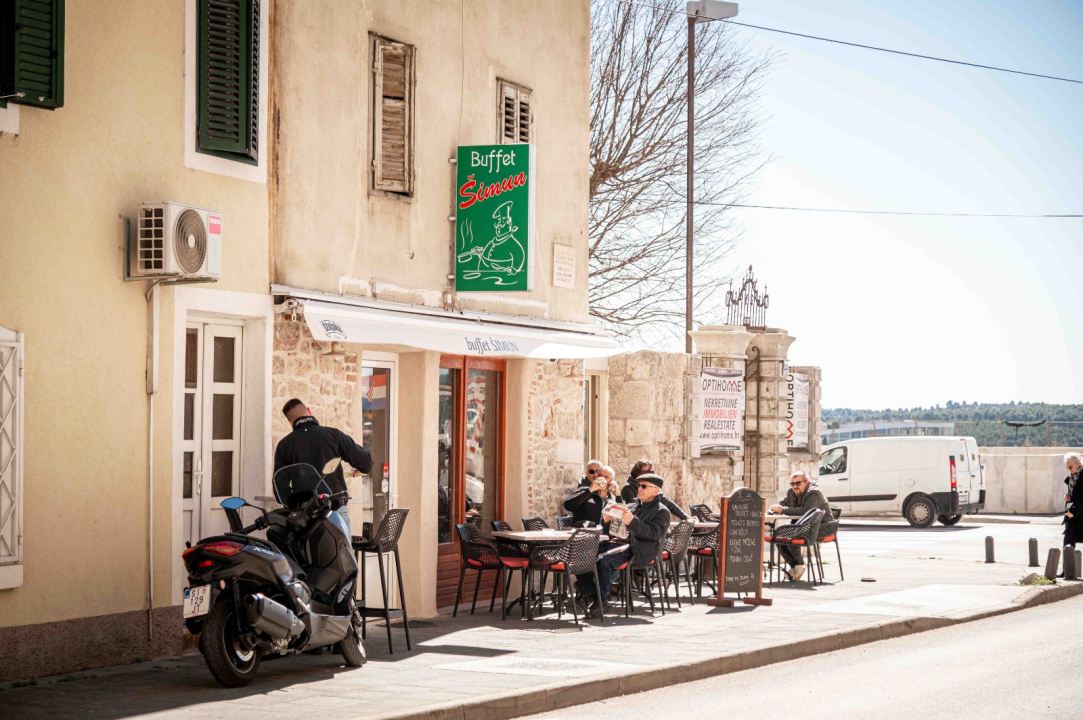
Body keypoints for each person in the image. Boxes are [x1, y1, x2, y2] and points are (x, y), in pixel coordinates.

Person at [576, 472, 672, 617]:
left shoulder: (662, 511)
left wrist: (632, 522)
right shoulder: (632, 506)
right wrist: (607, 520)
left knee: (603, 562)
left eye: (644, 486)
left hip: (638, 548)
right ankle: (591, 594)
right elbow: (613, 531)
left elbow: (653, 534)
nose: (639, 489)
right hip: (618, 544)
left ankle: (600, 602)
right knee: (580, 556)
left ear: (656, 490)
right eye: (639, 485)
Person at [274, 399, 373, 533]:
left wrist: (295, 507)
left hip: (305, 515)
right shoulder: (333, 435)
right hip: (335, 511)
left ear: (290, 421)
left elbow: (279, 484)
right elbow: (365, 462)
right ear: (309, 411)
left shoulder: (284, 445)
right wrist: (361, 468)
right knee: (341, 553)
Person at [769, 470, 832, 581]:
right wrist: (776, 507)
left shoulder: (814, 493)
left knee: (790, 533)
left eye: (798, 483)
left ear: (806, 482)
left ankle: (798, 565)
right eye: (792, 484)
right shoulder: (793, 492)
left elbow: (806, 510)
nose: (795, 486)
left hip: (822, 527)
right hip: (806, 526)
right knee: (778, 537)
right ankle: (797, 566)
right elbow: (784, 502)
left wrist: (783, 510)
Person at [618, 459, 689, 520]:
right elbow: (633, 512)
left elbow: (667, 502)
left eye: (651, 472)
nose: (648, 475)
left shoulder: (653, 489)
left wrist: (685, 517)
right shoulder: (628, 489)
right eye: (645, 472)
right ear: (637, 473)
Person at [1062, 453, 1083, 556]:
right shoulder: (1072, 477)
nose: (1069, 469)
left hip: (1078, 513)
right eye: (1067, 467)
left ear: (1078, 463)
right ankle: (1067, 570)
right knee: (1068, 540)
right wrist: (1069, 498)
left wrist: (1073, 512)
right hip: (1076, 514)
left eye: (1071, 467)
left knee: (1070, 537)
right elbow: (1077, 496)